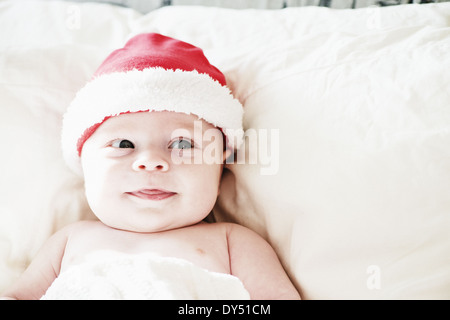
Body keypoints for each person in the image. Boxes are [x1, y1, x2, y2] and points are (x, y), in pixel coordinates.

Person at [1, 33, 300, 300]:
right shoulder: (69, 240)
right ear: (84, 167)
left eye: (182, 145)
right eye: (123, 145)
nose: (151, 162)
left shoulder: (231, 241)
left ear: (220, 171)